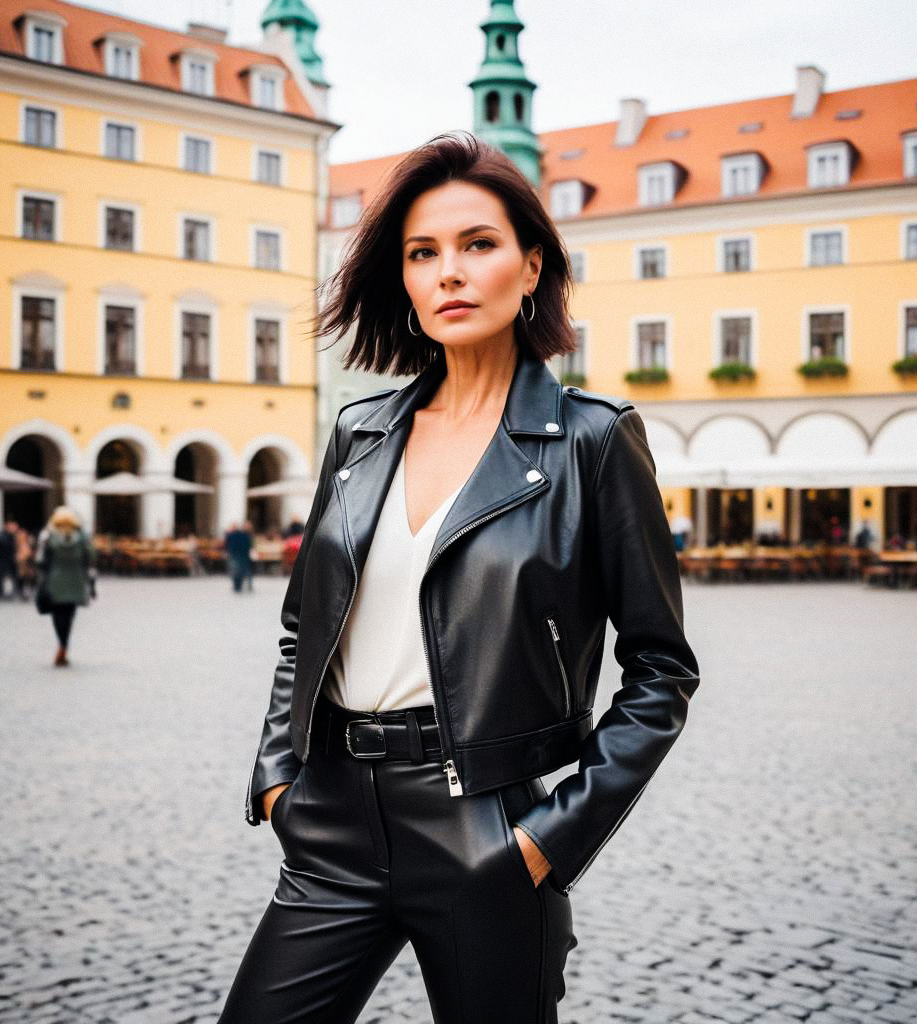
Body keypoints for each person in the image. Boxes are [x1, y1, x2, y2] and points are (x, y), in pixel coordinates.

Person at [217, 133, 701, 1024]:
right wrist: (280, 776)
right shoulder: (362, 434)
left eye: (478, 244)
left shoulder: (591, 440)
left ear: (531, 268)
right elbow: (304, 628)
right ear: (402, 280)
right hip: (332, 825)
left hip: (486, 828)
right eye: (422, 253)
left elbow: (662, 672)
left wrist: (546, 840)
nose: (449, 272)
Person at [34, 505, 93, 667]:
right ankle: (64, 645)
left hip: (55, 580)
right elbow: (90, 558)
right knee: (69, 613)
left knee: (57, 614)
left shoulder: (47, 536)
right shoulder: (82, 537)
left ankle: (62, 643)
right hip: (76, 581)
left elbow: (40, 560)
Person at [223, 521, 253, 593]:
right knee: (240, 570)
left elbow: (227, 545)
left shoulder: (233, 535)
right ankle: (239, 586)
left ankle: (237, 586)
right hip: (241, 555)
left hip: (236, 555)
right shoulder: (244, 535)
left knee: (236, 570)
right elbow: (249, 545)